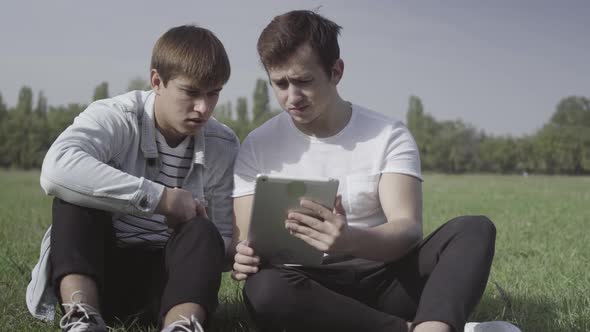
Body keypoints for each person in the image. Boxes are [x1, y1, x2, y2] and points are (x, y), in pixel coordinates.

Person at [231, 10, 521, 332]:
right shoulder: (258, 144)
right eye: (280, 84)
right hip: (308, 288)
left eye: (303, 81)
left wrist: (350, 239)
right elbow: (247, 240)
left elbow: (407, 231)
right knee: (265, 289)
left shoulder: (387, 135)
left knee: (473, 229)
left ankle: (432, 326)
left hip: (386, 281)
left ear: (336, 71)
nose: (292, 97)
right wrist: (245, 257)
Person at [26, 25, 239, 332]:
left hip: (170, 287)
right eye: (191, 92)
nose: (203, 107)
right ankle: (82, 318)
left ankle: (183, 326)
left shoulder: (223, 144)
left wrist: (239, 250)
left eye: (214, 93)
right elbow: (56, 169)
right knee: (73, 198)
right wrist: (162, 200)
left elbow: (220, 245)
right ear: (157, 81)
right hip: (101, 271)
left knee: (203, 231)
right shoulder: (117, 116)